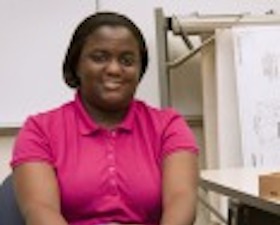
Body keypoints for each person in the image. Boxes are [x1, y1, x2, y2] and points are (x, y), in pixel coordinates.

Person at [10, 11, 199, 225]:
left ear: (140, 70)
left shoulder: (168, 126)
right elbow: (40, 210)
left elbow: (181, 200)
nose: (114, 69)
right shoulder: (39, 130)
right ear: (76, 64)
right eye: (99, 58)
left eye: (127, 60)